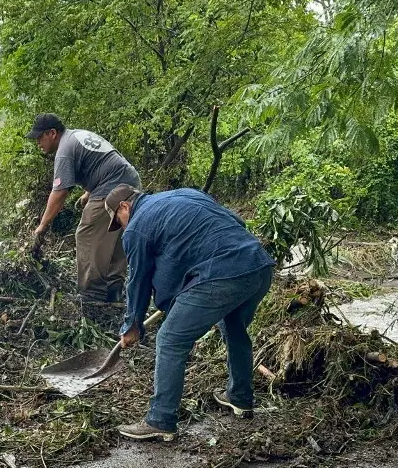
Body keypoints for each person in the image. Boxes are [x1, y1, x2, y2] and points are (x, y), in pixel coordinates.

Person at [106, 184, 276, 442]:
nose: (123, 229)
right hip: (258, 266)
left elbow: (138, 280)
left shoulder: (138, 227)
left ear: (124, 207)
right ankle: (240, 398)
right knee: (234, 327)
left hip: (222, 275)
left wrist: (132, 325)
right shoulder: (184, 194)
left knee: (171, 340)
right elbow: (236, 222)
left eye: (119, 221)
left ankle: (161, 419)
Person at [27, 114, 141, 303]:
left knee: (87, 234)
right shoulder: (77, 136)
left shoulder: (64, 150)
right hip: (130, 181)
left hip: (112, 187)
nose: (38, 142)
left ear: (52, 133)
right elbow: (100, 161)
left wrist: (42, 226)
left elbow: (60, 193)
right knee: (114, 235)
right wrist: (89, 192)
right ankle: (114, 290)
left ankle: (91, 294)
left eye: (40, 137)